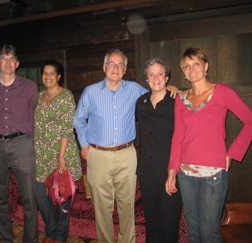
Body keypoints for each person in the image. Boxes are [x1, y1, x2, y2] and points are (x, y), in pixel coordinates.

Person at [73, 49, 178, 243]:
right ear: (104, 67)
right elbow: (79, 121)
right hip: (98, 154)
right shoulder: (91, 92)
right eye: (111, 64)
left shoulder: (135, 90)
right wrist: (84, 145)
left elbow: (157, 90)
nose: (116, 68)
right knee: (102, 207)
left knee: (127, 204)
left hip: (127, 154)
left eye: (120, 64)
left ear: (125, 69)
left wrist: (173, 88)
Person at [166, 47, 252, 243]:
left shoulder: (222, 92)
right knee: (193, 232)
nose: (192, 69)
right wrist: (172, 170)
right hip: (186, 175)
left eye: (196, 64)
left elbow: (250, 120)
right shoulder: (181, 98)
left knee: (210, 233)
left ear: (206, 66)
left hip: (213, 176)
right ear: (184, 72)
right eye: (186, 66)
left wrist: (232, 153)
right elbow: (177, 136)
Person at [0, 44, 38, 243]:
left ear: (17, 64)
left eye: (12, 58)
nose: (8, 62)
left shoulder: (30, 87)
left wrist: (28, 142)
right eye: (4, 58)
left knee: (29, 197)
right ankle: (6, 239)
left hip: (22, 143)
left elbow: (33, 115)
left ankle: (30, 240)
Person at [34, 60, 82, 243]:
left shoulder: (66, 96)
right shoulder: (38, 97)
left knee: (63, 199)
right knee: (41, 196)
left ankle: (60, 236)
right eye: (45, 73)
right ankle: (51, 231)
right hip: (40, 156)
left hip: (62, 155)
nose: (47, 76)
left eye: (52, 73)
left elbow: (66, 128)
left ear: (59, 76)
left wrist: (61, 158)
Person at [136, 57, 182, 243]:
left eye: (160, 74)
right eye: (151, 74)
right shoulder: (141, 103)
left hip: (169, 171)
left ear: (167, 77)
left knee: (170, 223)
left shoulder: (177, 100)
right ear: (146, 79)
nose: (156, 78)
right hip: (146, 171)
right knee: (152, 222)